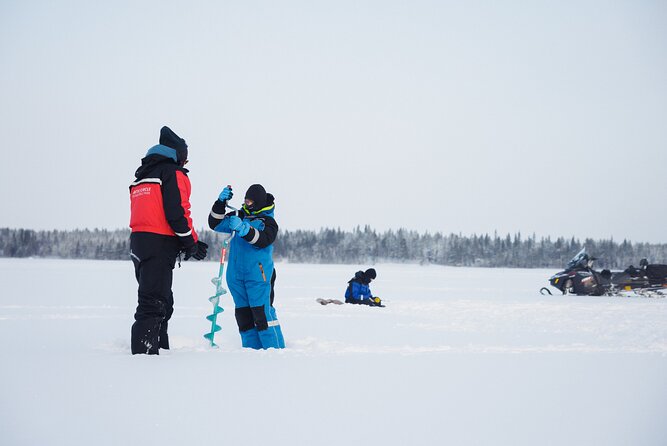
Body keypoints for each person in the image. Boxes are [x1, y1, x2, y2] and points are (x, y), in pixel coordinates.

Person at [128, 126, 208, 355]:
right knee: (153, 303)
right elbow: (177, 212)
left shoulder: (142, 175)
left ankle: (160, 349)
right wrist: (191, 242)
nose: (186, 161)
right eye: (186, 156)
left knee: (162, 301)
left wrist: (185, 243)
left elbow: (152, 213)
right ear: (178, 154)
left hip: (139, 243)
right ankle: (144, 358)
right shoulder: (172, 173)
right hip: (158, 243)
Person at [208, 183, 285, 349]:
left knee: (262, 315)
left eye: (250, 201)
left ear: (257, 202)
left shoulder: (268, 221)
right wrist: (220, 203)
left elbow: (263, 240)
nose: (246, 204)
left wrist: (244, 229)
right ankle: (251, 353)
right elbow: (214, 223)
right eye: (245, 200)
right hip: (236, 276)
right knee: (244, 317)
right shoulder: (239, 215)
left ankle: (275, 351)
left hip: (258, 275)